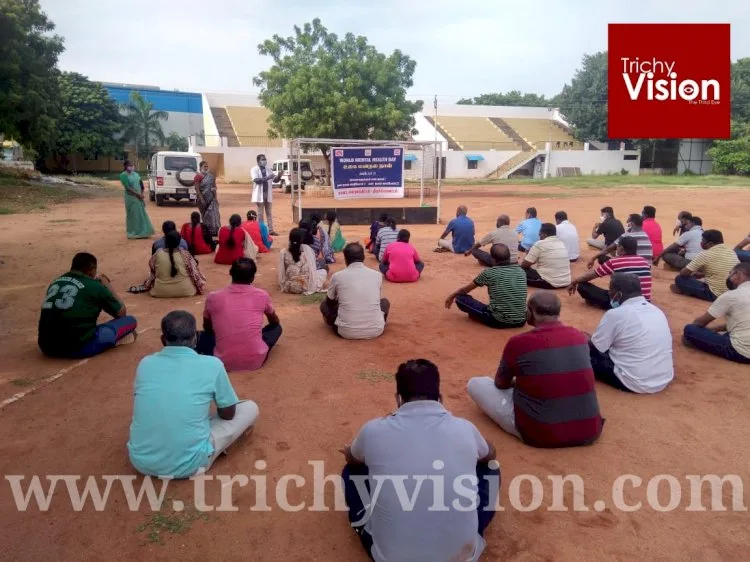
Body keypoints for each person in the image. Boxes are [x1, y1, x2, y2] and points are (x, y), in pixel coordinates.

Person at [340, 359, 499, 562]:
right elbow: (490, 455)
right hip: (462, 556)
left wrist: (352, 451)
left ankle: (369, 526)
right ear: (440, 398)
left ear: (398, 399)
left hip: (390, 558)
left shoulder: (373, 430)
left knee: (351, 471)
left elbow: (353, 459)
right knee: (490, 469)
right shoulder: (465, 429)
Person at [127, 311, 259, 479]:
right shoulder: (212, 365)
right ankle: (210, 451)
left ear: (163, 340)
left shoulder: (145, 364)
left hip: (141, 462)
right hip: (189, 465)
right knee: (249, 407)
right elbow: (228, 414)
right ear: (196, 337)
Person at [467, 292, 603, 447]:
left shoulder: (519, 342)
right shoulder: (579, 336)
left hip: (540, 433)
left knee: (476, 384)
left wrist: (520, 383)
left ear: (530, 313)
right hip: (589, 430)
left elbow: (501, 383)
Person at [38, 252, 137, 358]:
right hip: (79, 347)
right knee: (130, 321)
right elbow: (121, 313)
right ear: (91, 270)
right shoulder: (95, 286)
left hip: (47, 346)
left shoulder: (56, 282)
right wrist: (105, 284)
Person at [589, 273, 674, 393]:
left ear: (619, 294)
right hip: (663, 378)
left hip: (634, 381)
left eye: (611, 290)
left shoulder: (616, 314)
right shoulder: (657, 311)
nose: (609, 293)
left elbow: (594, 348)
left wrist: (584, 340)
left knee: (582, 355)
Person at [197, 258, 282, 372]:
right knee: (276, 328)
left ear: (230, 273)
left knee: (197, 336)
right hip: (255, 359)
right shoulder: (262, 295)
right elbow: (274, 322)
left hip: (222, 361)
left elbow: (207, 327)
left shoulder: (213, 297)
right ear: (252, 277)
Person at [446, 243, 527, 328]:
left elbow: (464, 290)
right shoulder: (520, 271)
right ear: (509, 257)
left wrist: (451, 296)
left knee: (460, 298)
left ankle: (479, 316)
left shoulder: (489, 272)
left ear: (492, 259)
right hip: (521, 321)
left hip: (498, 321)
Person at [683, 263, 750, 364]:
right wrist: (716, 328)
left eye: (730, 274)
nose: (729, 277)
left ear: (738, 274)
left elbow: (700, 322)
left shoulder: (731, 295)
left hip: (742, 353)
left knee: (690, 330)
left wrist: (697, 333)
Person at [320, 243, 389, 339]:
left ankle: (335, 322)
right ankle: (378, 322)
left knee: (324, 305)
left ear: (346, 259)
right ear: (363, 257)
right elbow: (378, 300)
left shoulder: (337, 276)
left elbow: (329, 302)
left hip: (345, 331)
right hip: (376, 330)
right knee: (385, 302)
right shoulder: (377, 275)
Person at [570, 236, 652, 309]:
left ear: (622, 249)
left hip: (623, 303)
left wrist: (575, 281)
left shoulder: (615, 261)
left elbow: (591, 275)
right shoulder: (644, 262)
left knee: (582, 286)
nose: (616, 249)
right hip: (644, 301)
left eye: (618, 246)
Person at [671, 229, 739, 302]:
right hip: (732, 292)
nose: (701, 243)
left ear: (710, 244)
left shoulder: (705, 254)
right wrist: (703, 274)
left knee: (680, 279)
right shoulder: (731, 251)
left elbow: (683, 273)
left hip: (715, 294)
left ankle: (687, 290)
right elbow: (721, 270)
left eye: (703, 240)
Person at [144, 231, 207, 298]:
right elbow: (195, 274)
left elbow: (152, 274)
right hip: (186, 290)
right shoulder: (186, 255)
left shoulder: (157, 255)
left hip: (160, 291)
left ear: (165, 241)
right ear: (179, 242)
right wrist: (199, 287)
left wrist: (147, 285)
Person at [588, 213, 652, 265]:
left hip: (631, 267)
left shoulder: (626, 235)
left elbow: (608, 249)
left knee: (602, 258)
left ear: (631, 224)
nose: (627, 223)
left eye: (628, 221)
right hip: (646, 267)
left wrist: (593, 258)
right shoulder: (646, 235)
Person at [521, 223, 571, 289]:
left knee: (517, 270)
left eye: (540, 233)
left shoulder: (540, 244)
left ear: (544, 234)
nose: (539, 235)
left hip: (549, 282)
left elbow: (525, 265)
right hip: (566, 281)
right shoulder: (561, 243)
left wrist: (529, 256)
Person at [279, 228, 328, 294]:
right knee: (323, 271)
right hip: (306, 286)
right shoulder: (307, 249)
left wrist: (283, 284)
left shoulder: (283, 252)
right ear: (302, 240)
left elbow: (282, 271)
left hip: (290, 287)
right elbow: (312, 269)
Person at [119, 160, 154, 239]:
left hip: (139, 197)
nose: (131, 167)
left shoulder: (136, 174)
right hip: (131, 198)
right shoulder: (123, 175)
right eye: (129, 165)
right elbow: (128, 188)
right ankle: (134, 232)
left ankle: (144, 232)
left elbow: (141, 185)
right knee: (133, 215)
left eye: (132, 165)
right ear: (125, 166)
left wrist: (141, 193)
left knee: (141, 214)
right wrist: (138, 195)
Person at [251, 154, 278, 236]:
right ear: (258, 161)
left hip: (267, 193)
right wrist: (268, 177)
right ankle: (261, 230)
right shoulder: (254, 169)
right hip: (260, 194)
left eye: (265, 159)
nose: (265, 161)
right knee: (260, 214)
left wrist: (279, 176)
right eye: (263, 159)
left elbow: (275, 180)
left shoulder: (268, 169)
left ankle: (271, 230)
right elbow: (256, 180)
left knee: (269, 213)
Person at [194, 160, 221, 238]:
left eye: (207, 166)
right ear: (200, 167)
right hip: (203, 199)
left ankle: (215, 230)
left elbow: (214, 188)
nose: (206, 168)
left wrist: (215, 198)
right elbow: (197, 189)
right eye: (204, 166)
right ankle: (207, 231)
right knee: (206, 215)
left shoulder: (211, 176)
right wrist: (202, 199)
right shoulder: (198, 177)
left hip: (212, 199)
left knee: (214, 215)